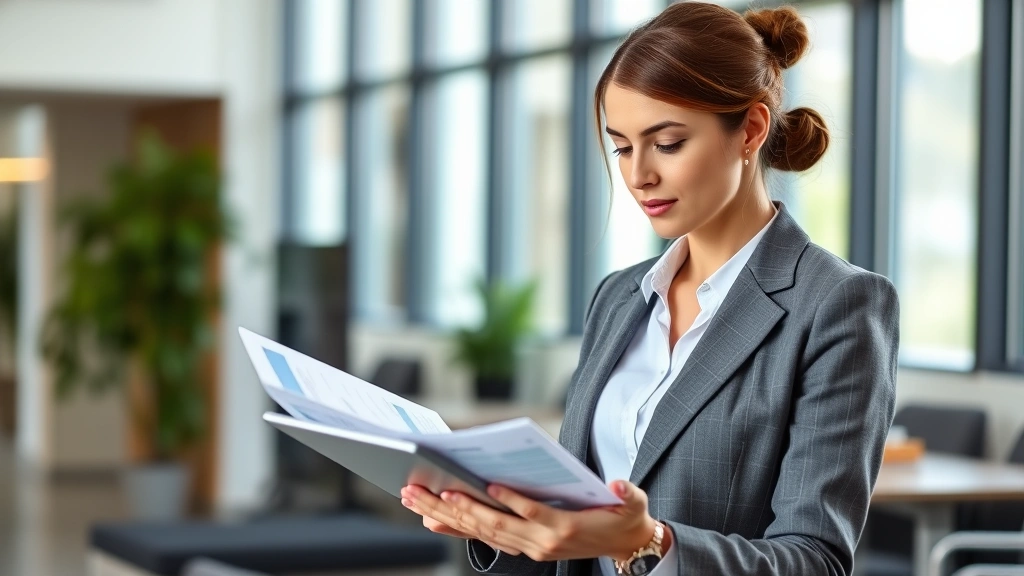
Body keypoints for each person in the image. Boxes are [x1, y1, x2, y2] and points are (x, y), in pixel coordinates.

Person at [400, 2, 900, 575]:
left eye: (666, 143)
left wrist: (649, 543)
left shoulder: (836, 305)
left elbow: (815, 561)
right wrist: (499, 522)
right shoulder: (619, 298)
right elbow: (576, 521)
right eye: (621, 146)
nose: (638, 174)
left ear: (751, 130)